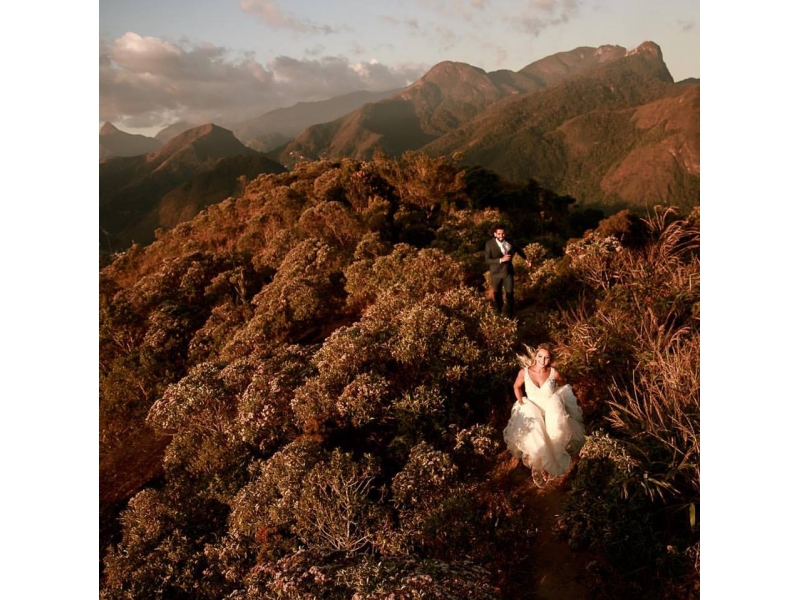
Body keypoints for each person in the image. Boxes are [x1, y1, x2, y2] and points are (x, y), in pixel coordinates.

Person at [503, 343, 585, 488]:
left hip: (550, 408)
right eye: (540, 356)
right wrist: (521, 401)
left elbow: (563, 386)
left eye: (546, 358)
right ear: (536, 356)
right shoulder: (524, 372)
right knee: (536, 437)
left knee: (554, 436)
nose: (543, 360)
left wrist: (557, 399)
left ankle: (550, 465)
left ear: (550, 359)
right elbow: (516, 386)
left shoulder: (554, 373)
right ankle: (541, 466)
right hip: (533, 409)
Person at [485, 224, 530, 318]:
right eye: (499, 234)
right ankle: (499, 312)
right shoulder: (489, 244)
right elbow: (487, 260)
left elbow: (518, 249)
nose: (501, 236)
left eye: (503, 233)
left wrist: (526, 259)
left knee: (510, 294)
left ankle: (510, 315)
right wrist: (501, 260)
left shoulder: (510, 241)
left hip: (508, 272)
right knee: (497, 294)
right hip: (496, 273)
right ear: (495, 234)